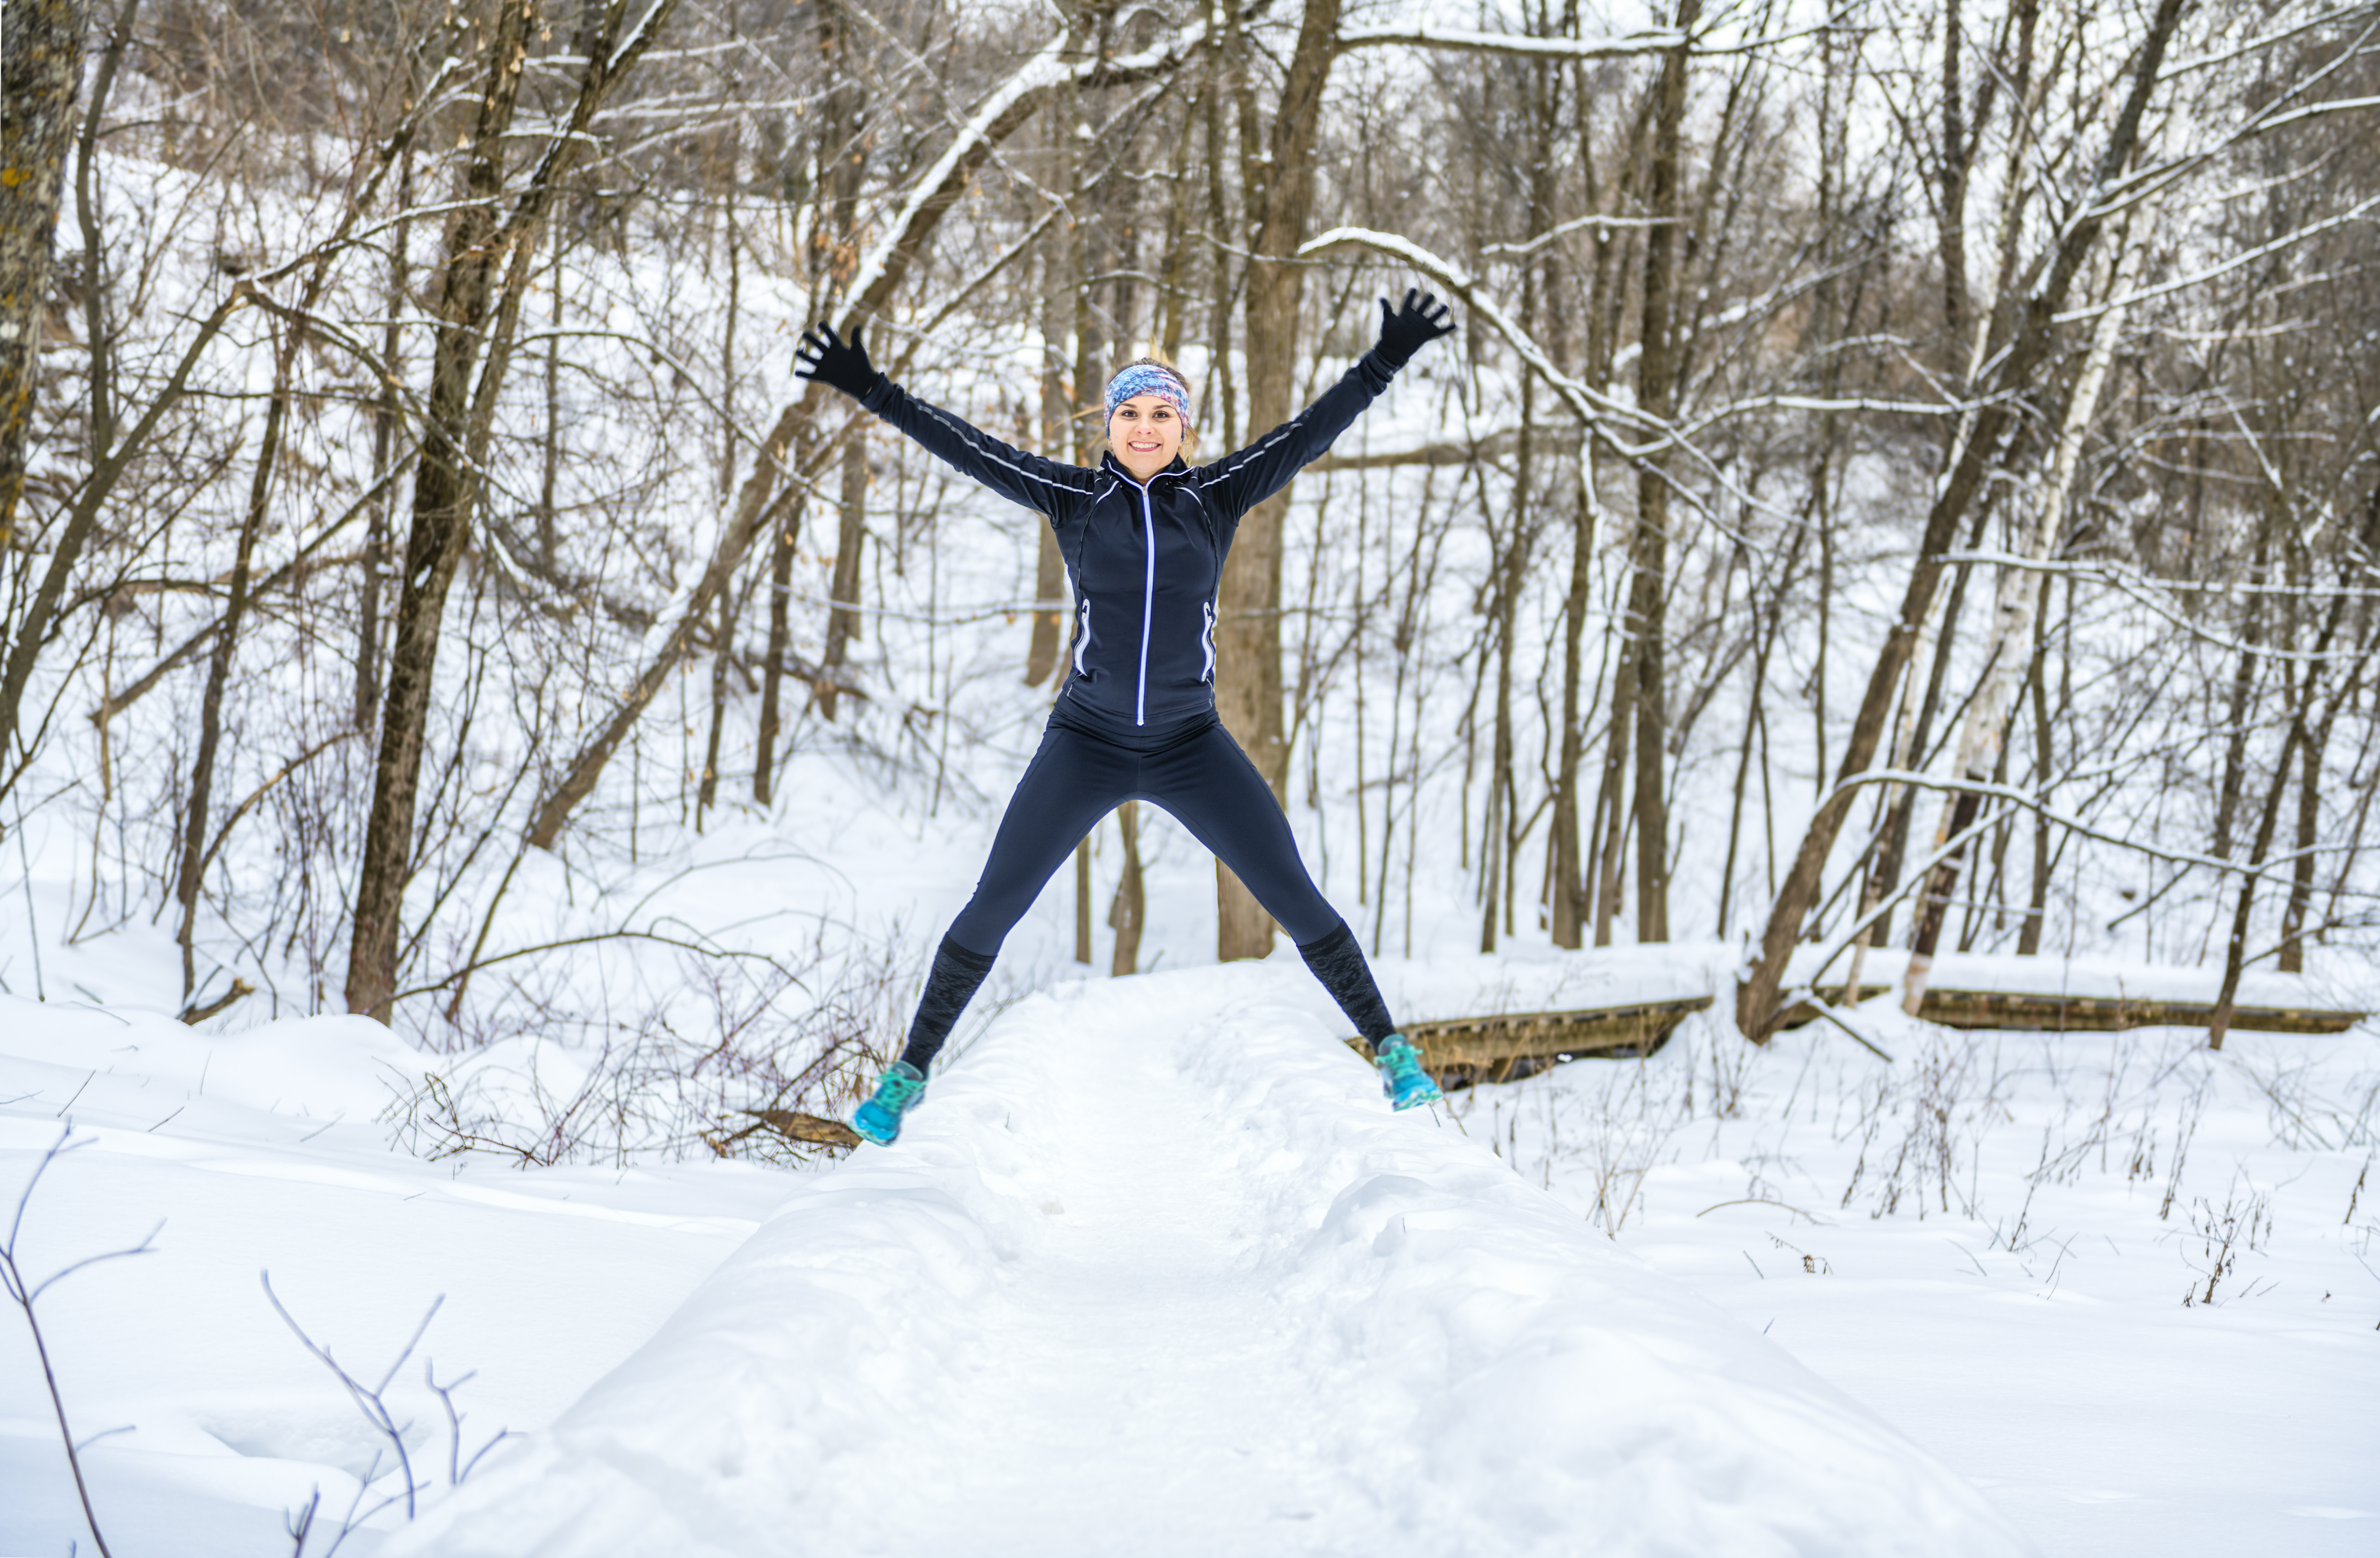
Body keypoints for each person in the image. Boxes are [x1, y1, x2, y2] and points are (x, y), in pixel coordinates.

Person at [795, 289, 1457, 1145]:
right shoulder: (1075, 501)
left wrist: (1384, 359)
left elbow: (1307, 434)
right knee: (994, 904)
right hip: (1087, 743)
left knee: (1292, 894)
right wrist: (870, 387)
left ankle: (1392, 1048)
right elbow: (966, 448)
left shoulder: (1215, 497)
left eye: (1161, 413)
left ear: (1184, 428)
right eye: (1129, 412)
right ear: (1107, 426)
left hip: (1190, 746)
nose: (1144, 427)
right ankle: (908, 1072)